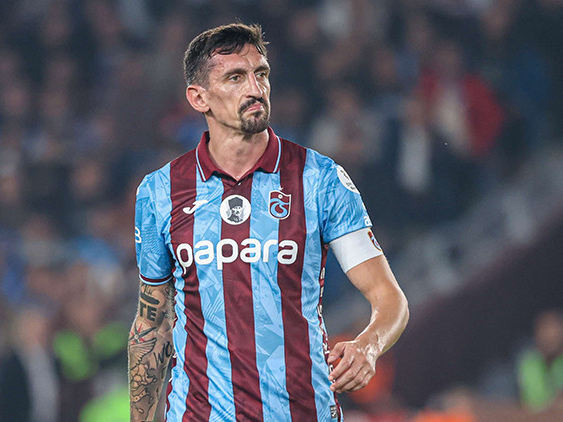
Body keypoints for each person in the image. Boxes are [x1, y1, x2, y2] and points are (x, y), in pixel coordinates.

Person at [128, 23, 409, 422]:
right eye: (235, 78)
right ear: (198, 97)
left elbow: (389, 297)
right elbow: (151, 326)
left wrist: (368, 345)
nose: (255, 88)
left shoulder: (319, 179)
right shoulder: (160, 192)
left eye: (261, 73)